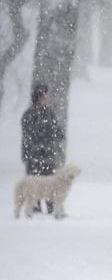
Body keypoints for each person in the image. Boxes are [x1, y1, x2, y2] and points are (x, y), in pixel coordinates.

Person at [20, 82, 64, 215]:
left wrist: (57, 136)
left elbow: (57, 132)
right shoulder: (32, 114)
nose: (47, 98)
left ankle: (48, 207)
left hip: (44, 156)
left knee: (49, 182)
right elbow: (29, 135)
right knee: (37, 183)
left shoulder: (48, 113)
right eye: (45, 95)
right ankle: (37, 207)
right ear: (39, 96)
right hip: (36, 156)